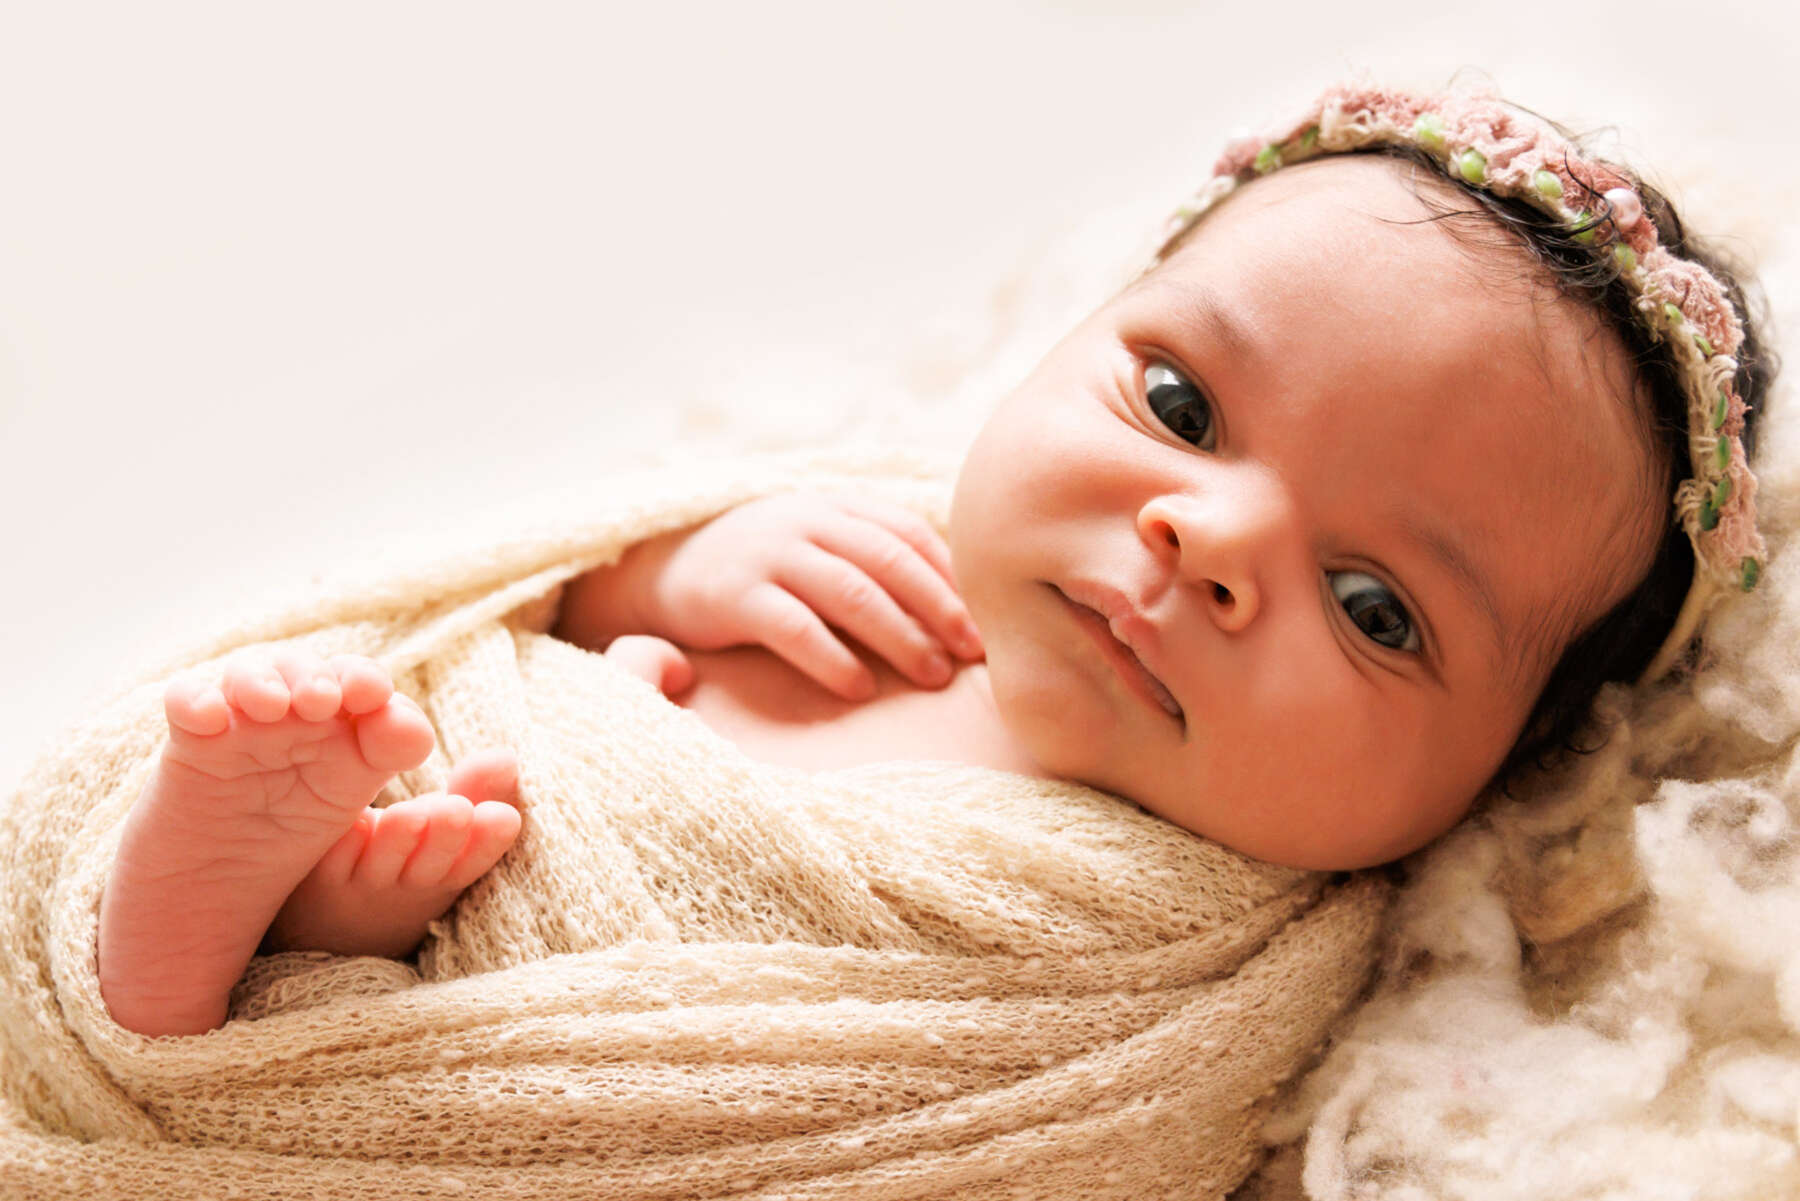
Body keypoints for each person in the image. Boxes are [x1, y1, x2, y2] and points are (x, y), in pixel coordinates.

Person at [95, 81, 1771, 1038]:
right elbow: (506, 583)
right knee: (373, 762)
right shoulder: (879, 526)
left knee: (374, 977)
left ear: (1506, 768)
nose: (1205, 541)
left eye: (1376, 608)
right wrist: (651, 575)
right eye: (1183, 403)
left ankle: (254, 959)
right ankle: (238, 906)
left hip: (589, 1062)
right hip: (489, 811)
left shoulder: (1209, 977)